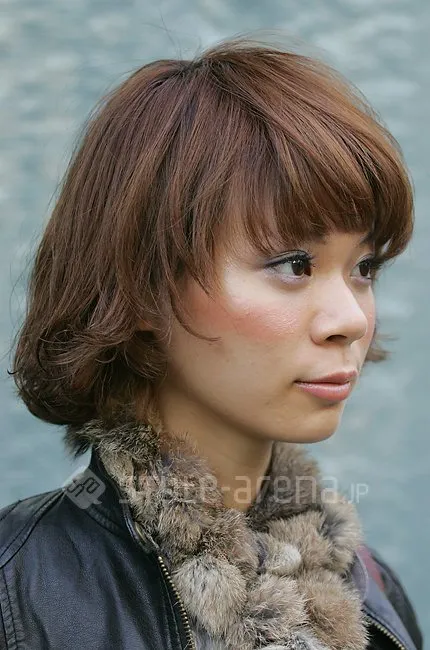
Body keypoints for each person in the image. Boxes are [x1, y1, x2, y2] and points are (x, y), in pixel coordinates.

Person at [0, 35, 423, 650]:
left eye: (364, 268)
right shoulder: (19, 592)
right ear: (145, 285)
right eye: (294, 263)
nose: (352, 320)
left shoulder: (371, 590)